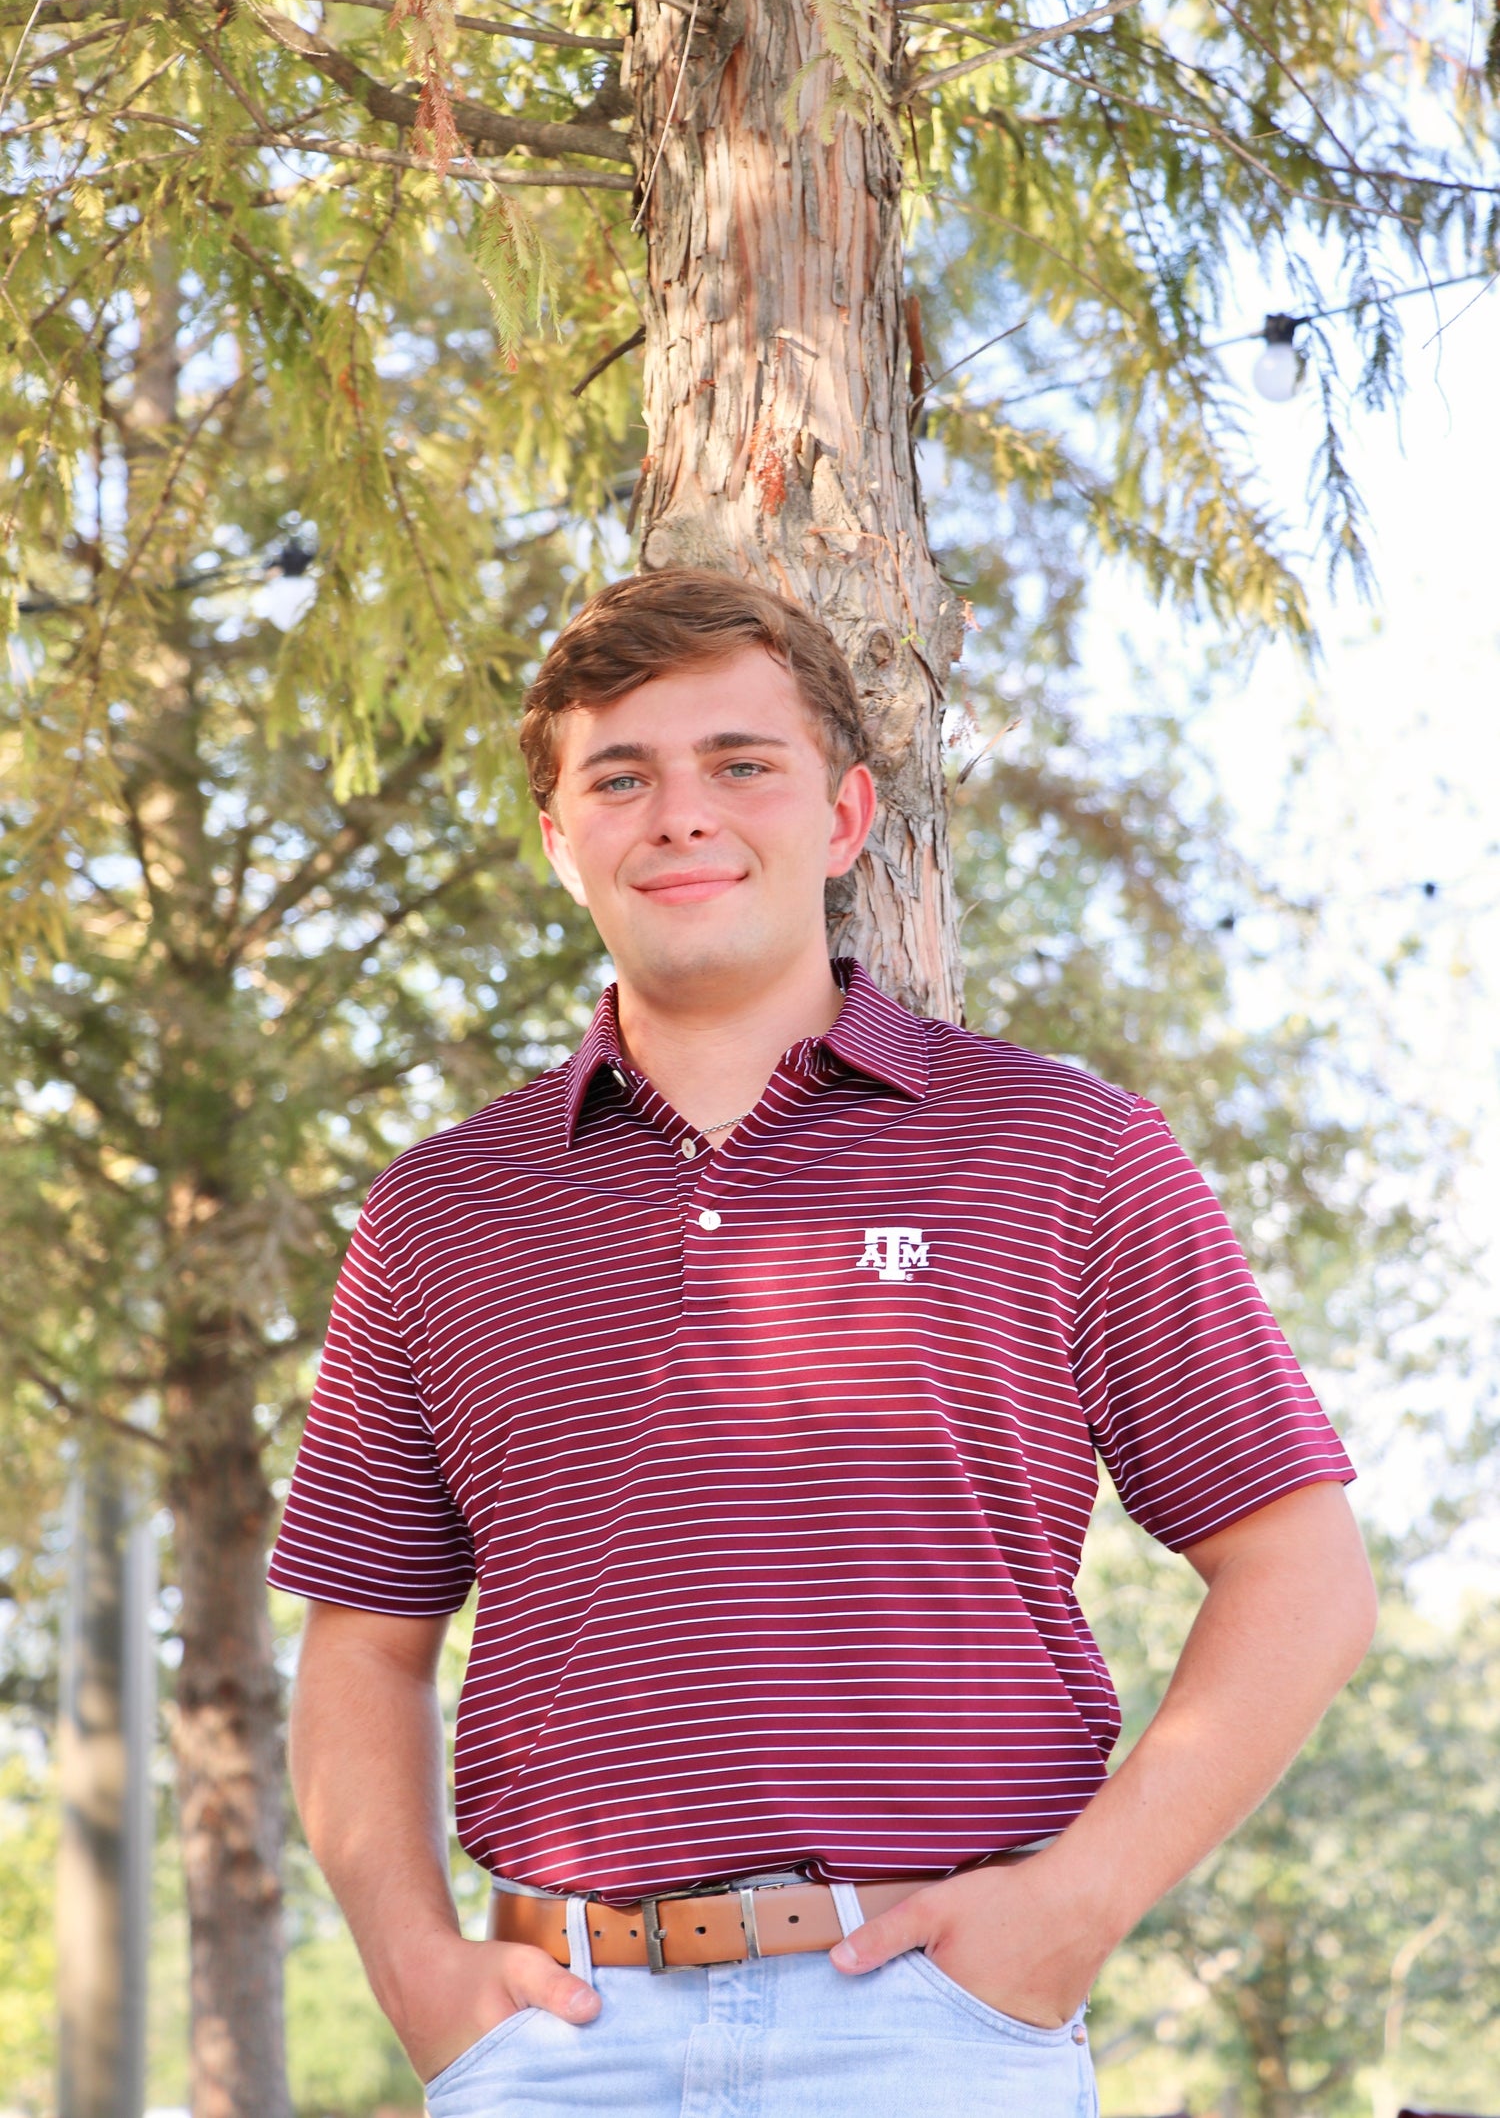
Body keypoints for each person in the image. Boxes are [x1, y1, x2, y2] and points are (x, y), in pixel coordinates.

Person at [270, 568, 1376, 2117]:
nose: (680, 815)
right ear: (558, 836)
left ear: (846, 817)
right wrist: (416, 1971)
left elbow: (1303, 1573)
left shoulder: (1059, 1149)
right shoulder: (441, 1213)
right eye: (621, 776)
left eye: (741, 763)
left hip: (928, 2025)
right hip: (557, 2046)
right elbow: (363, 1648)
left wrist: (1076, 1909)